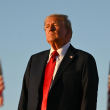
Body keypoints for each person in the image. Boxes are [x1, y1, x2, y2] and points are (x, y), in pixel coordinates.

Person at [18, 14, 99, 110]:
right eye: (47, 27)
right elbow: (24, 96)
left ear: (68, 33)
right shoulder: (34, 60)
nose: (50, 29)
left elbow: (88, 100)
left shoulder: (84, 60)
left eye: (55, 25)